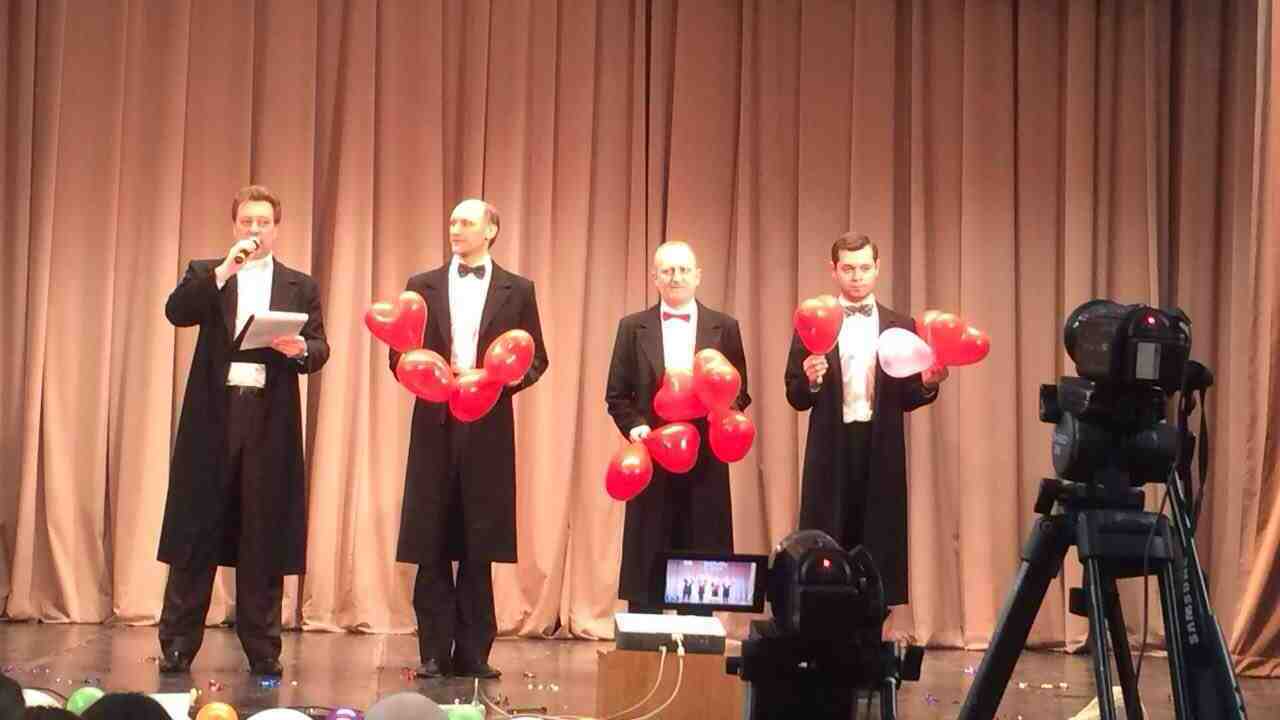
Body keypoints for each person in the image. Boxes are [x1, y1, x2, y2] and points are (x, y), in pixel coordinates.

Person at [158, 185, 329, 676]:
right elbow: (177, 312)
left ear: (277, 228)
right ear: (234, 225)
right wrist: (225, 270)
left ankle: (263, 648)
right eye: (247, 221)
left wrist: (301, 350)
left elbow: (320, 347)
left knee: (263, 534)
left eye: (263, 222)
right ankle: (177, 644)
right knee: (196, 534)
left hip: (269, 422)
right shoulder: (207, 273)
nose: (255, 229)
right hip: (212, 420)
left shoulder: (300, 285)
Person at [392, 198, 548, 679]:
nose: (455, 229)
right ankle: (433, 653)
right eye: (453, 221)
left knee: (480, 542)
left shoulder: (518, 289)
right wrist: (425, 376)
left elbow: (536, 358)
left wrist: (501, 382)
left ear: (490, 230)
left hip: (487, 423)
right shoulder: (421, 285)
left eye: (466, 222)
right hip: (435, 422)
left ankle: (475, 653)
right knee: (432, 541)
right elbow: (399, 353)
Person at [785, 232, 946, 607]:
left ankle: (874, 631)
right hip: (830, 447)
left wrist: (927, 384)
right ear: (833, 270)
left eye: (863, 268)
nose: (856, 277)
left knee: (878, 541)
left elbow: (908, 396)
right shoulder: (812, 321)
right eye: (848, 269)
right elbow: (795, 395)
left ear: (877, 268)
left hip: (880, 446)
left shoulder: (900, 324)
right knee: (826, 543)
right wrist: (810, 381)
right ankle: (824, 625)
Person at [605, 241, 751, 612]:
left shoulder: (725, 327)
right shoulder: (631, 327)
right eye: (667, 270)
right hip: (653, 456)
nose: (676, 277)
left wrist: (722, 413)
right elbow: (617, 395)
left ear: (698, 276)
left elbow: (740, 392)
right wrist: (637, 429)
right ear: (654, 278)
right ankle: (645, 639)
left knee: (701, 555)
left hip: (706, 459)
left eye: (684, 270)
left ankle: (697, 638)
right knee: (647, 557)